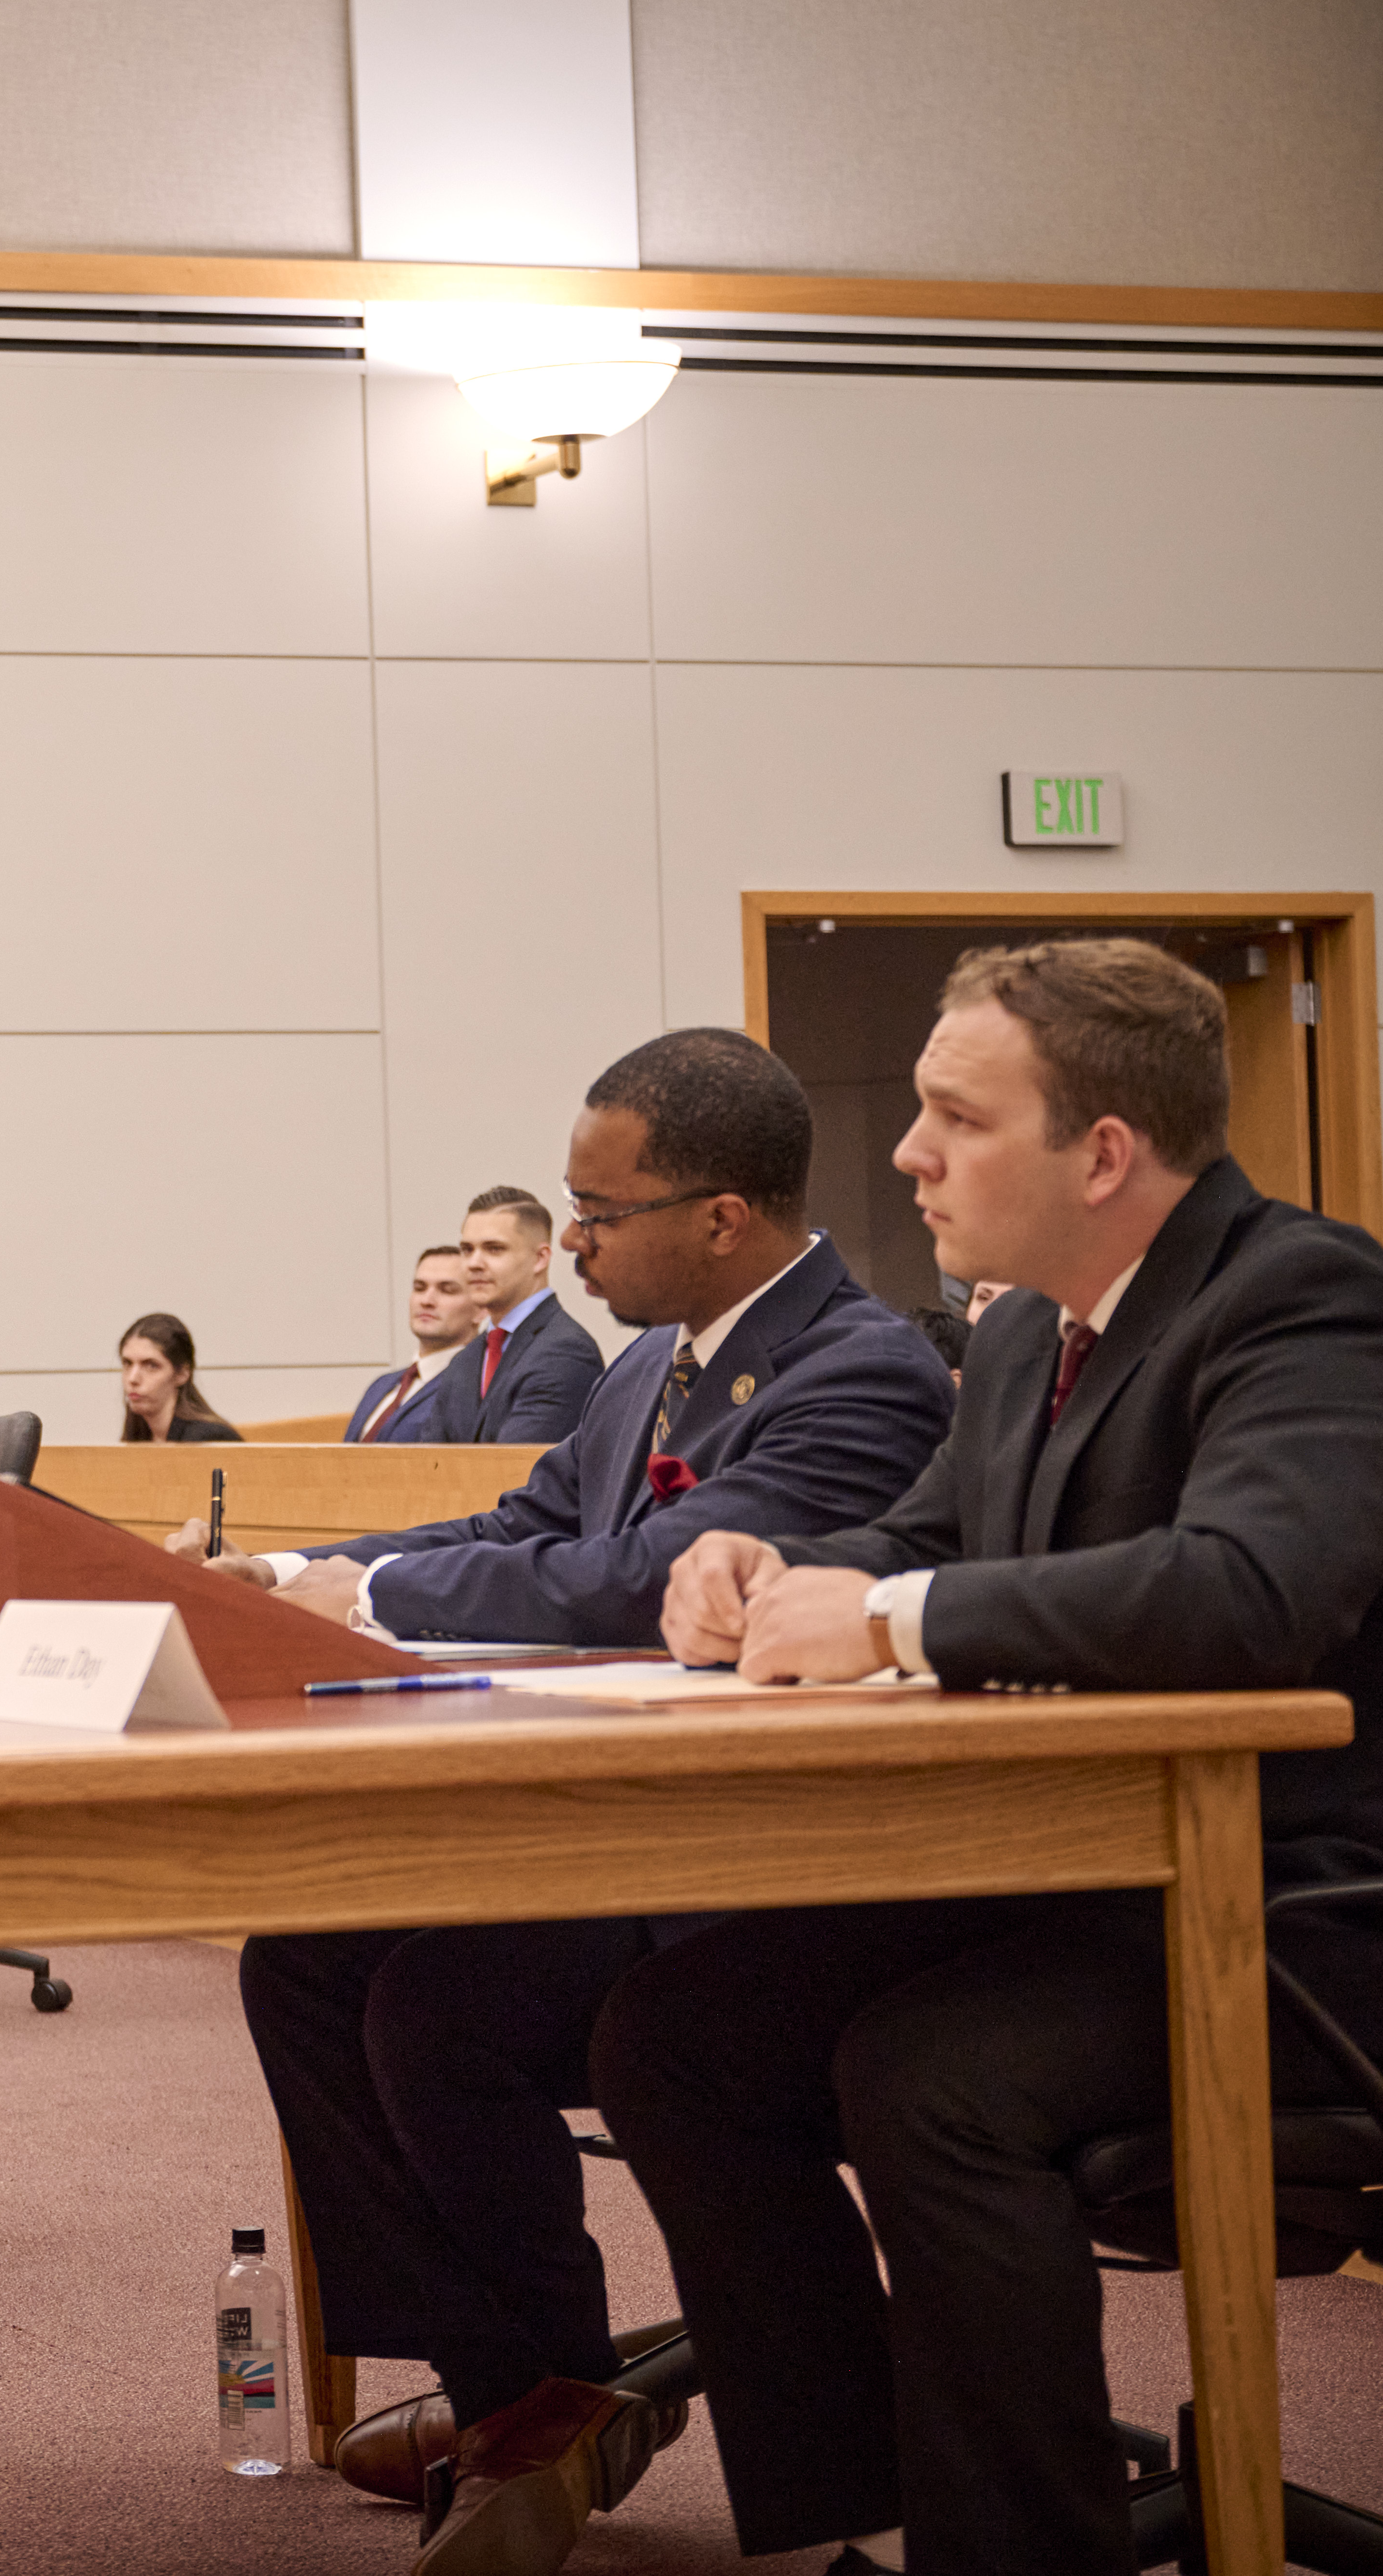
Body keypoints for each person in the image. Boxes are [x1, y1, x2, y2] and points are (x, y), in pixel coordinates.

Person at [599, 939, 1383, 2576]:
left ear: (1098, 1152)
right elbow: (914, 1535)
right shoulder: (1024, 1332)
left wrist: (883, 1617)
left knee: (926, 2073)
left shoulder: (1303, 1297)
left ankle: (1018, 2550)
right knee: (676, 2031)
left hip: (1289, 1914)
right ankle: (869, 2503)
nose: (901, 1149)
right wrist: (756, 1557)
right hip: (1082, 1880)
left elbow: (1247, 1590)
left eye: (951, 1116)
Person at [180, 1030, 958, 2576]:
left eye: (597, 1214)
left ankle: (537, 2405)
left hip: (761, 1867)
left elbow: (641, 1584)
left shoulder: (854, 1371)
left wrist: (374, 1587)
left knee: (435, 2005)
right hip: (627, 1828)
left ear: (720, 1216)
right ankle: (528, 2393)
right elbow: (525, 1517)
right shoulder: (643, 1369)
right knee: (308, 1958)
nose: (574, 1242)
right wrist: (289, 1577)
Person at [429, 1187, 606, 1443]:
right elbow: (425, 1463)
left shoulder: (566, 1352)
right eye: (467, 1250)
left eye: (494, 1249)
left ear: (540, 1258)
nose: (474, 1263)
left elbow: (519, 1471)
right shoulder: (464, 1361)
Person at [349, 1246, 482, 1444]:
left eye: (447, 1290)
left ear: (481, 1310)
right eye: (420, 1288)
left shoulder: (477, 1388)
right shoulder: (382, 1385)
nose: (427, 1301)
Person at [115, 1312, 241, 1442]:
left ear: (182, 1374)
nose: (133, 1379)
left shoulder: (210, 1439)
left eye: (152, 1366)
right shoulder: (137, 1436)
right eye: (128, 1364)